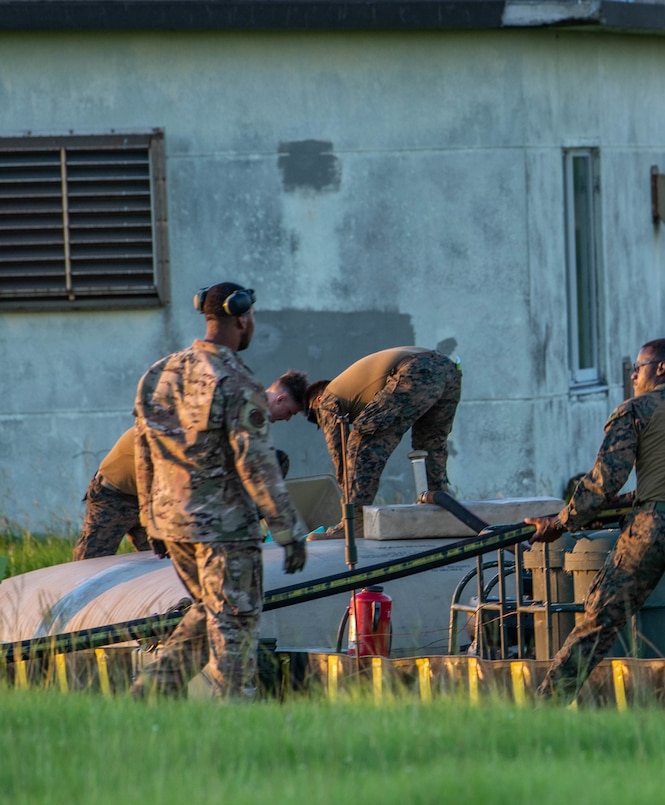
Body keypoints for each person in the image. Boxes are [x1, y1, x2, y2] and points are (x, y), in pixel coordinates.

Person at [527, 338, 665, 705]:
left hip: (648, 531)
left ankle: (547, 705)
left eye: (638, 366)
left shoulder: (636, 409)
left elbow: (603, 481)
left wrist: (562, 523)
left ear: (660, 368)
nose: (632, 375)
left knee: (598, 624)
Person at [131, 283, 308, 700]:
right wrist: (288, 530)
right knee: (236, 622)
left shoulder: (159, 373)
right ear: (242, 319)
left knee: (210, 613)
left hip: (174, 526)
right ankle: (235, 718)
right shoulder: (237, 381)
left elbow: (143, 451)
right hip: (225, 532)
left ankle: (150, 693)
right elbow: (256, 462)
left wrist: (150, 518)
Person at [74, 372, 307, 560]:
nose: (287, 419)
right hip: (118, 490)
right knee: (90, 566)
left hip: (157, 500)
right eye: (290, 412)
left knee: (159, 570)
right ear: (280, 399)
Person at [304, 345, 460, 525]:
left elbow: (340, 454)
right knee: (431, 444)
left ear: (317, 400)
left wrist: (346, 491)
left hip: (416, 370)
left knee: (362, 440)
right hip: (448, 370)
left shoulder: (326, 399)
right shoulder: (352, 389)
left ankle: (354, 522)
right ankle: (442, 507)